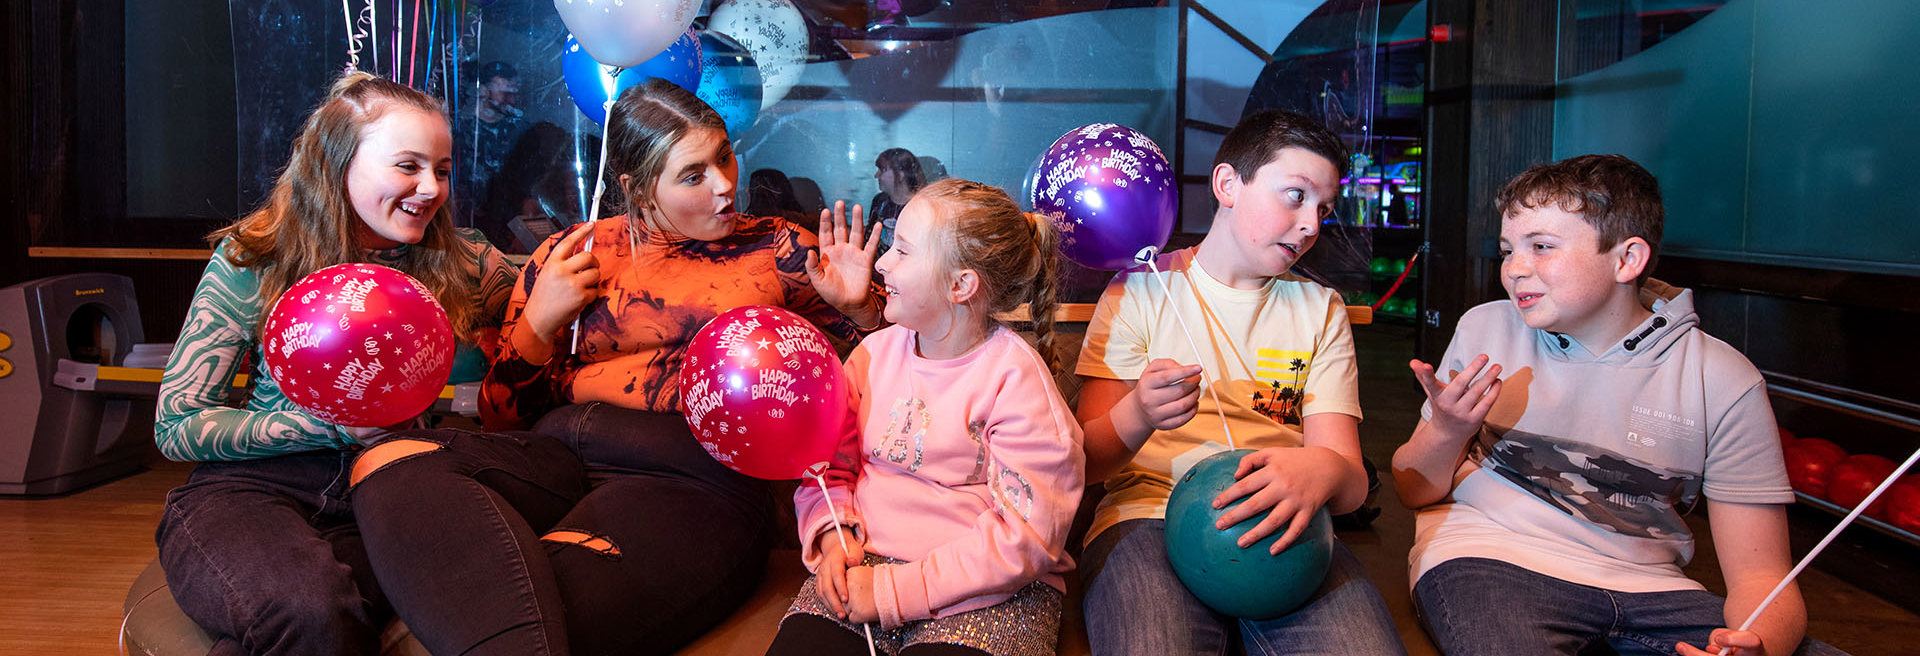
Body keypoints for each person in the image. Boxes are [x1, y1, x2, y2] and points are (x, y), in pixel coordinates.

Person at [346, 78, 887, 655]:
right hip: (556, 455)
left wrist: (861, 308)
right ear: (635, 186)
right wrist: (540, 323)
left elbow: (899, 376)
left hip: (687, 475)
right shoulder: (571, 253)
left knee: (550, 610)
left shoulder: (777, 249)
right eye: (693, 174)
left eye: (723, 156)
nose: (726, 185)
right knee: (388, 461)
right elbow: (501, 420)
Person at [152, 71, 518, 655]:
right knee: (309, 611)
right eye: (408, 165)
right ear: (337, 162)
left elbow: (551, 321)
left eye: (442, 170)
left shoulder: (465, 260)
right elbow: (176, 424)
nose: (431, 188)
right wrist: (332, 427)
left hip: (387, 495)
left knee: (337, 621)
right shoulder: (257, 257)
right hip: (250, 492)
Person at [1391, 154, 1817, 656]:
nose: (1514, 270)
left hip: (1657, 590)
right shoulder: (1486, 328)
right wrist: (1445, 429)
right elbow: (1414, 490)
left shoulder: (1725, 379)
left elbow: (1763, 576)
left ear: (1627, 259)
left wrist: (1760, 644)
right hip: (1491, 557)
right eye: (1509, 250)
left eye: (1542, 247)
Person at [1073, 109, 1404, 654]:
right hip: (1149, 516)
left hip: (1287, 518)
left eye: (1323, 208)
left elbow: (1349, 485)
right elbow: (1086, 463)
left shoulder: (1321, 309)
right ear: (1228, 184)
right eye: (1295, 196)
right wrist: (1139, 414)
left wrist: (1322, 468)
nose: (1312, 225)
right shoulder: (1137, 291)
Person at [765, 179, 1084, 656]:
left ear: (961, 285)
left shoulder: (1015, 379)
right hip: (863, 565)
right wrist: (833, 537)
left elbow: (1025, 538)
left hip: (987, 593)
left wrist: (896, 591)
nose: (883, 263)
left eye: (904, 252)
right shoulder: (872, 354)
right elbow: (828, 465)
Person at [869, 147, 925, 253]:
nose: (876, 176)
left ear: (900, 174)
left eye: (882, 170)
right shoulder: (879, 202)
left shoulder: (922, 208)